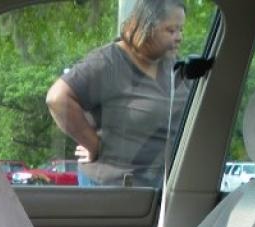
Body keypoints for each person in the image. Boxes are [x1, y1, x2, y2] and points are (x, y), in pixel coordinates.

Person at [46, 0, 189, 187]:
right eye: (171, 30)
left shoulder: (172, 64)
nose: (179, 37)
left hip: (165, 187)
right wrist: (93, 145)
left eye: (181, 29)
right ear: (145, 27)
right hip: (116, 191)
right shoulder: (109, 62)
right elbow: (57, 98)